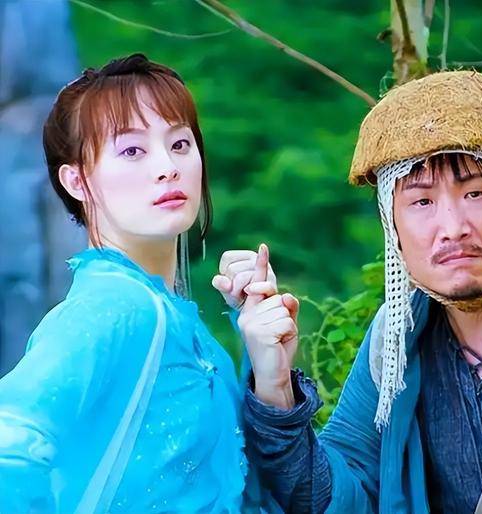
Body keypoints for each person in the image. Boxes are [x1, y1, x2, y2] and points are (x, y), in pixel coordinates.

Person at [237, 71, 482, 514]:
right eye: (422, 202)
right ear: (394, 229)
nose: (452, 228)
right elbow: (334, 499)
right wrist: (275, 385)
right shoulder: (396, 342)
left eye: (476, 193)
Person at [0, 53, 278, 514]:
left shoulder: (185, 326)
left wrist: (266, 368)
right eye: (132, 150)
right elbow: (10, 445)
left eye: (180, 144)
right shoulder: (115, 307)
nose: (168, 166)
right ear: (76, 181)